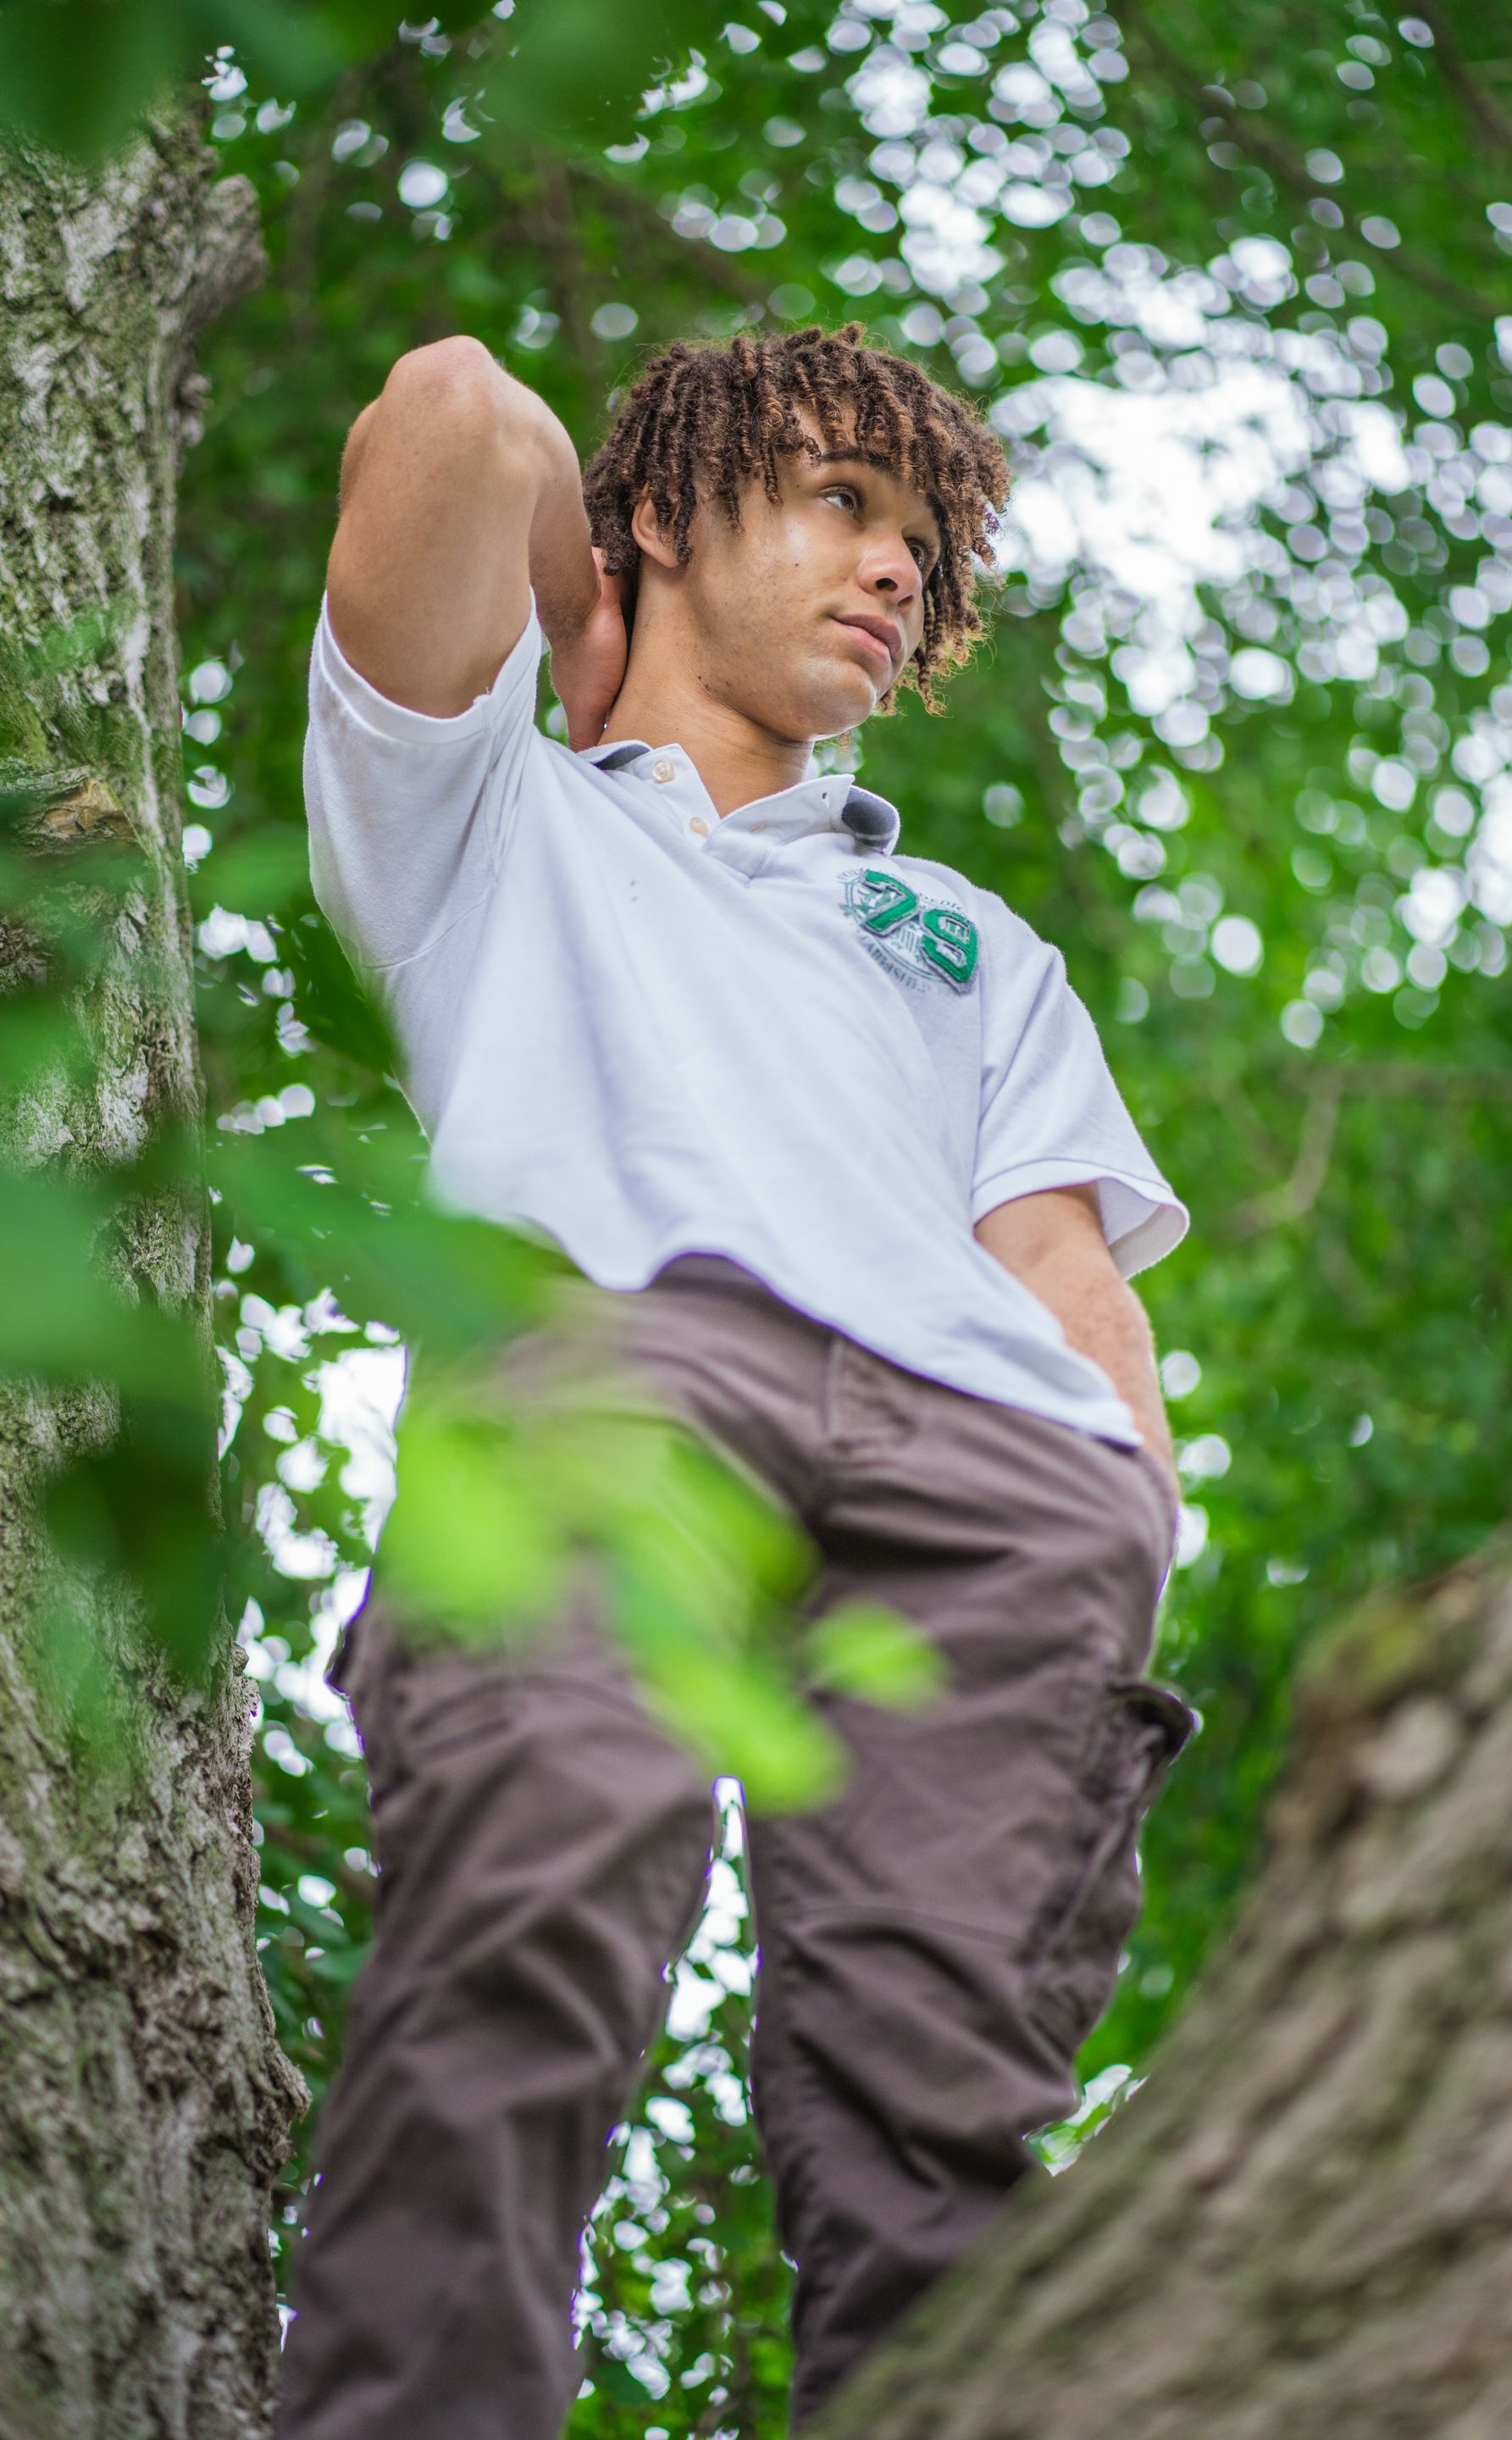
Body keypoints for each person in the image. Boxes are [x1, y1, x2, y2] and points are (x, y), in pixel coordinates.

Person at [277, 320, 1193, 2440]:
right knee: (524, 1920)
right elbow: (448, 410)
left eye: (924, 539)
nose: (896, 568)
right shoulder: (485, 802)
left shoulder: (961, 936)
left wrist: (1122, 1516)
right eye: (839, 504)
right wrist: (588, 628)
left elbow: (1067, 1275)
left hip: (997, 1484)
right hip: (621, 1369)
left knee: (939, 2120)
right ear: (669, 514)